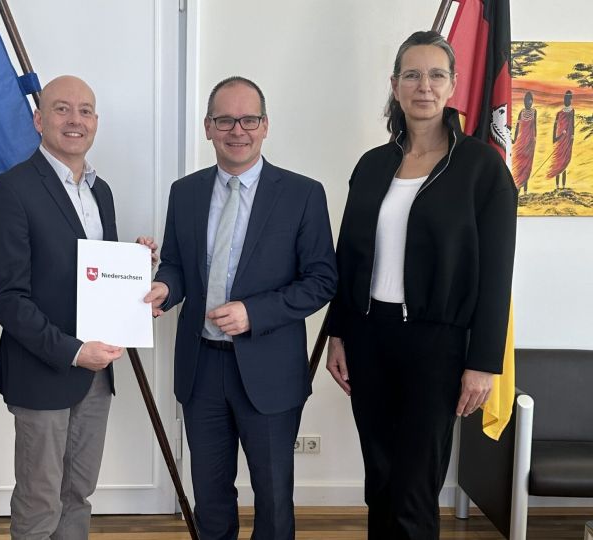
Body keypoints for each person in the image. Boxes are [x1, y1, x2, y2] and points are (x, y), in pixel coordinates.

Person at [324, 31, 517, 539]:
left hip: (438, 344)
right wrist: (337, 333)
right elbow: (348, 257)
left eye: (435, 75)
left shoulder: (482, 169)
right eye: (411, 75)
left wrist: (483, 363)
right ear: (395, 85)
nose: (423, 86)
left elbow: (497, 275)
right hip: (368, 337)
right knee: (380, 480)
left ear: (453, 85)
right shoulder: (372, 165)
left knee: (414, 487)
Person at [145, 76, 337, 540]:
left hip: (270, 370)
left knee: (273, 499)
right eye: (225, 120)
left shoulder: (302, 194)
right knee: (210, 498)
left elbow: (321, 281)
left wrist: (255, 313)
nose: (237, 130)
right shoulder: (185, 192)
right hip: (201, 370)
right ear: (208, 127)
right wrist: (164, 288)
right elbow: (176, 265)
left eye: (249, 120)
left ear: (265, 126)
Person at [0, 75, 157, 540]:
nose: (74, 119)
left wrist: (135, 273)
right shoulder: (9, 190)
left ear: (96, 121)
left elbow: (94, 278)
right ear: (39, 120)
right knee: (40, 500)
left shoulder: (102, 192)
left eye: (85, 110)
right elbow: (6, 297)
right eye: (61, 108)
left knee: (78, 493)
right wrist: (74, 351)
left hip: (96, 374)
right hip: (42, 369)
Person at [546, 90, 574, 190]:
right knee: (558, 163)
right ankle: (557, 187)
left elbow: (572, 125)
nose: (567, 101)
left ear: (570, 100)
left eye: (568, 99)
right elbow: (555, 126)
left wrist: (572, 138)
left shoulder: (572, 111)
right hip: (560, 141)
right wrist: (555, 138)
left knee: (564, 164)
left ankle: (563, 186)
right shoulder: (559, 113)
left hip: (567, 141)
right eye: (566, 98)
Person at [512, 91, 537, 194]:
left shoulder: (534, 112)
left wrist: (535, 138)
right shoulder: (521, 112)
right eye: (526, 101)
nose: (528, 103)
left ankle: (525, 191)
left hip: (530, 143)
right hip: (521, 142)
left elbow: (535, 126)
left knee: (527, 166)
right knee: (520, 165)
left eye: (530, 101)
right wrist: (514, 139)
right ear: (524, 102)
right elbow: (517, 127)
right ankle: (517, 188)